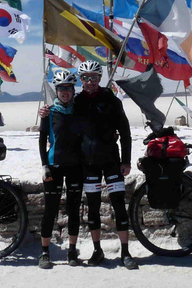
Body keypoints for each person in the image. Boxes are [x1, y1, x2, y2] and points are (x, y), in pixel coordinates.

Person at [41, 60, 137, 269]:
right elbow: (61, 115)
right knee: (92, 208)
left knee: (119, 205)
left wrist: (126, 160)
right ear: (81, 80)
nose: (90, 81)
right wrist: (45, 113)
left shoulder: (111, 100)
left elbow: (125, 131)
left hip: (112, 160)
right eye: (85, 77)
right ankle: (97, 250)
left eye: (94, 77)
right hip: (88, 163)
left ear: (100, 78)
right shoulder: (77, 102)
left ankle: (126, 252)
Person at [37, 70, 84, 269]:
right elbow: (41, 140)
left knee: (74, 210)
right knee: (50, 209)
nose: (65, 92)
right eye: (61, 88)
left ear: (74, 90)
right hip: (54, 166)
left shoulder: (79, 110)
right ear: (56, 90)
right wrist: (44, 166)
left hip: (75, 166)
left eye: (68, 88)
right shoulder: (49, 113)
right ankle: (45, 252)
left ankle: (72, 251)